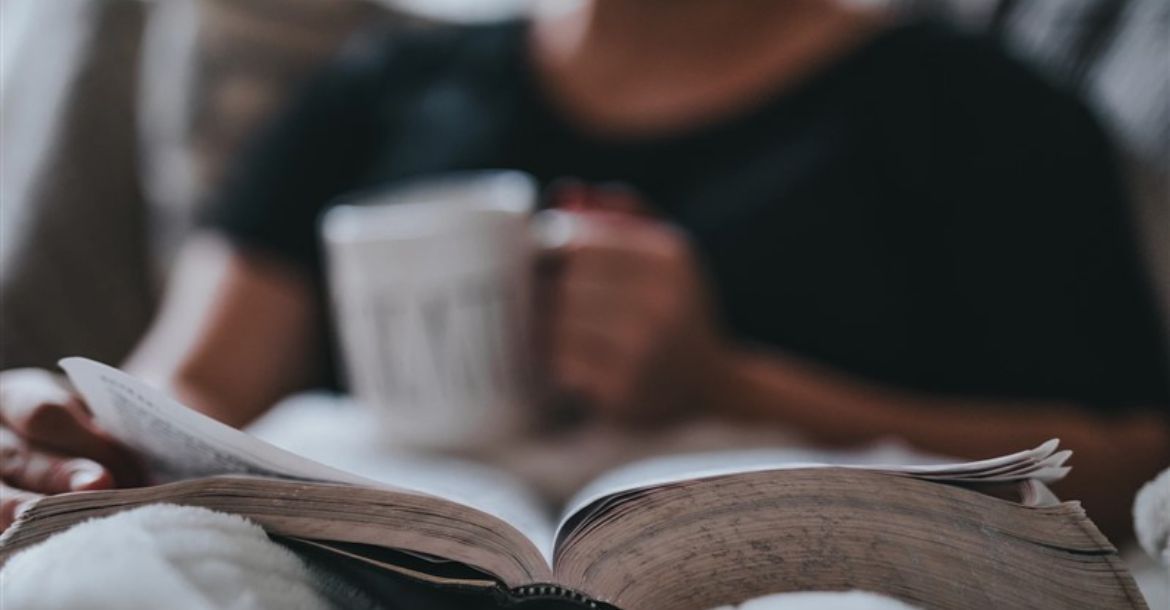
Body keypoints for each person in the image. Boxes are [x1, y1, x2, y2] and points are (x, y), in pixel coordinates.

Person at [2, 0, 1167, 541]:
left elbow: (1131, 462)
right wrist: (56, 425)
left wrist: (728, 382)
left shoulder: (976, 110)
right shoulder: (378, 90)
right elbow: (193, 379)